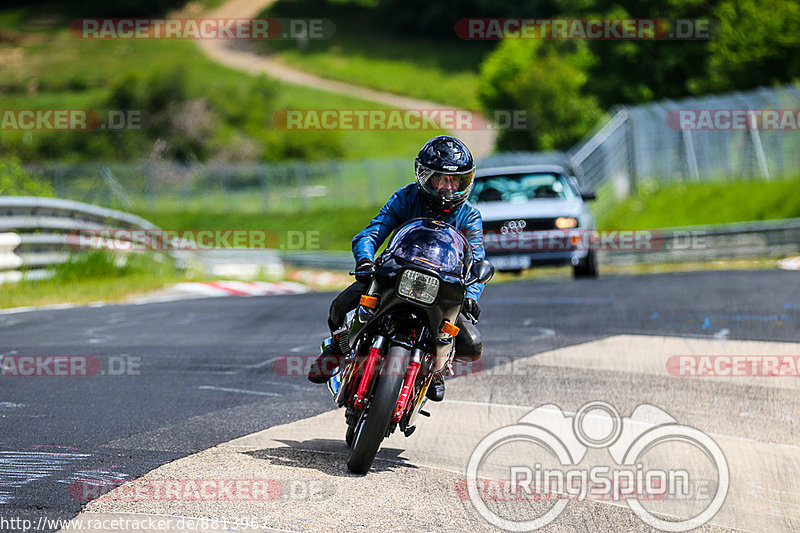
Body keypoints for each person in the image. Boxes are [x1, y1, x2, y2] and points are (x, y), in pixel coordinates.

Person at [307, 135, 486, 402]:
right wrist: (366, 260)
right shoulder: (405, 197)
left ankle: (433, 371)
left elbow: (477, 257)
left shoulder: (469, 215)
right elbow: (370, 234)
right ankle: (338, 346)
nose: (448, 187)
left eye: (456, 181)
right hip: (395, 273)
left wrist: (471, 296)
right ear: (424, 176)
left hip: (440, 285)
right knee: (340, 305)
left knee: (471, 343)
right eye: (440, 179)